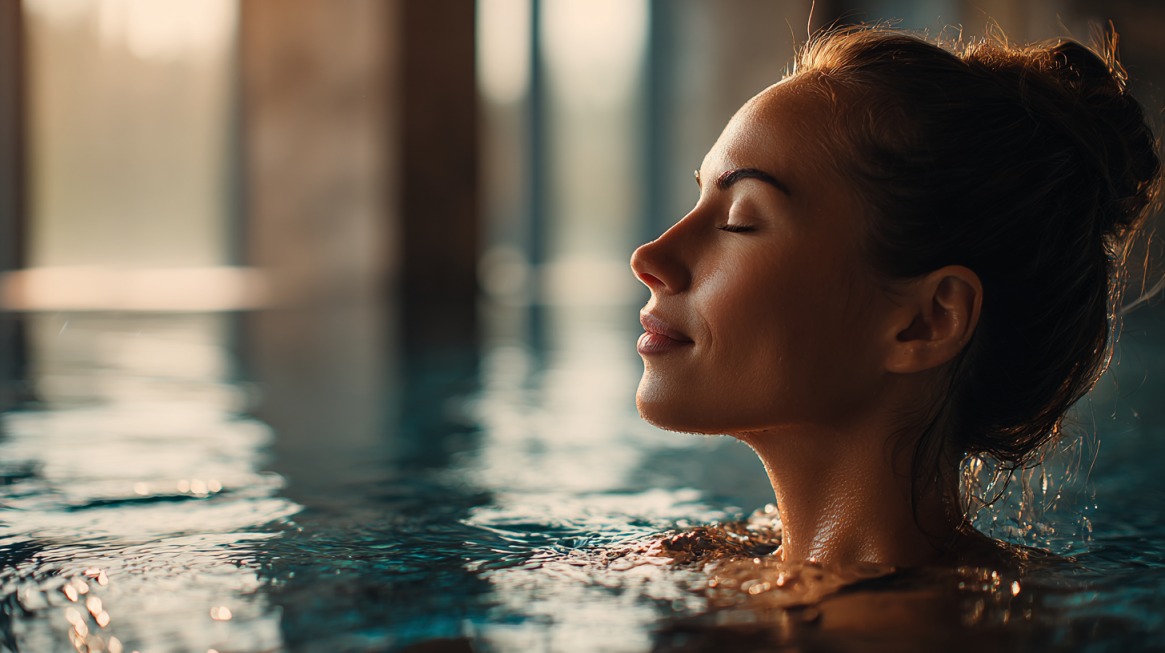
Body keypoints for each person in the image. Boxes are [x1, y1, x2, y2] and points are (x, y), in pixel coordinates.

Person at [629, 25, 1160, 569]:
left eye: (740, 220)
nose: (649, 258)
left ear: (926, 321)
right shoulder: (709, 558)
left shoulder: (907, 634)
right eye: (699, 199)